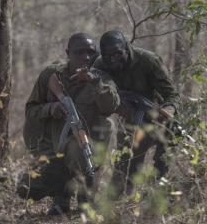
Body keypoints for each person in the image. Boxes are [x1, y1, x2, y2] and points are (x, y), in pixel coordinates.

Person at [16, 33, 120, 215]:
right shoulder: (51, 75)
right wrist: (51, 108)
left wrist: (97, 84)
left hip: (87, 149)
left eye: (90, 52)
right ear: (68, 53)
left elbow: (110, 107)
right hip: (53, 149)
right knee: (26, 187)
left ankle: (85, 201)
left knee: (77, 150)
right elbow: (30, 111)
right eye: (79, 52)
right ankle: (61, 198)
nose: (86, 57)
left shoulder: (102, 78)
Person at [94, 30, 180, 196]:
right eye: (107, 55)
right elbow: (95, 98)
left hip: (152, 114)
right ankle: (120, 193)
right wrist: (118, 107)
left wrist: (168, 110)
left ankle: (158, 186)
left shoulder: (148, 61)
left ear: (127, 48)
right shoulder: (99, 65)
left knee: (171, 133)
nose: (112, 59)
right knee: (125, 168)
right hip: (124, 118)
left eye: (117, 54)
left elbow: (172, 94)